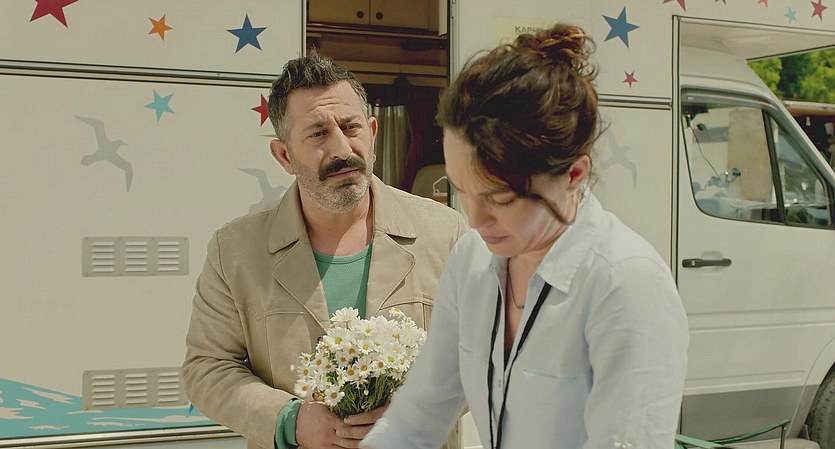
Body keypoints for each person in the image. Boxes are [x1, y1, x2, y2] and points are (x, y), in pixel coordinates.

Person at [361, 23, 689, 449]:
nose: (475, 220)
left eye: (500, 198)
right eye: (460, 191)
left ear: (574, 175)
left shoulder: (626, 284)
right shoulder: (471, 259)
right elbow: (417, 415)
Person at [181, 52, 467, 449]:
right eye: (317, 134)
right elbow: (207, 368)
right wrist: (290, 421)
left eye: (350, 127)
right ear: (284, 155)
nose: (341, 149)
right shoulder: (235, 252)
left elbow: (483, 352)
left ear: (372, 132)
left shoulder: (446, 233)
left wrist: (420, 409)